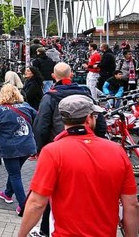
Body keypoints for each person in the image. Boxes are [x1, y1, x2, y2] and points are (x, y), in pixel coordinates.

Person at [18, 95, 138, 237]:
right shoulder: (117, 150)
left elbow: (37, 203)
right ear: (89, 118)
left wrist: (21, 234)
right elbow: (131, 205)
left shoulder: (53, 151)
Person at [0, 85, 37, 213]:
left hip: (9, 147)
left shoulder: (0, 110)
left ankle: (23, 206)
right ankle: (7, 193)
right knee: (15, 171)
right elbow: (36, 120)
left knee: (15, 174)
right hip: (27, 146)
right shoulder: (27, 107)